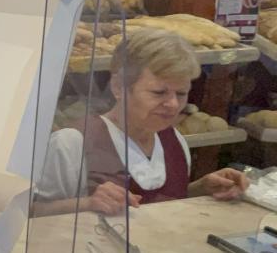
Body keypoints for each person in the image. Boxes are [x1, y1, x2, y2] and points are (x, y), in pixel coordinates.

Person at [34, 32, 249, 217]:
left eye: (182, 93)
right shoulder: (72, 143)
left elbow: (154, 205)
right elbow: (30, 214)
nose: (173, 104)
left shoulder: (174, 141)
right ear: (119, 87)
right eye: (159, 92)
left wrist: (200, 189)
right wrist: (85, 204)